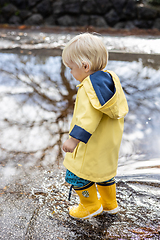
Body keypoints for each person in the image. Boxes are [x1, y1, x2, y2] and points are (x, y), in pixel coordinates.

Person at [62, 33, 128, 219]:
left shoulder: (88, 88)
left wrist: (73, 140)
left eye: (71, 68)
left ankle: (89, 206)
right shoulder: (111, 81)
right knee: (104, 175)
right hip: (108, 146)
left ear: (85, 66)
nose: (71, 72)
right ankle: (109, 204)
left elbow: (87, 118)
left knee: (75, 175)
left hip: (89, 146)